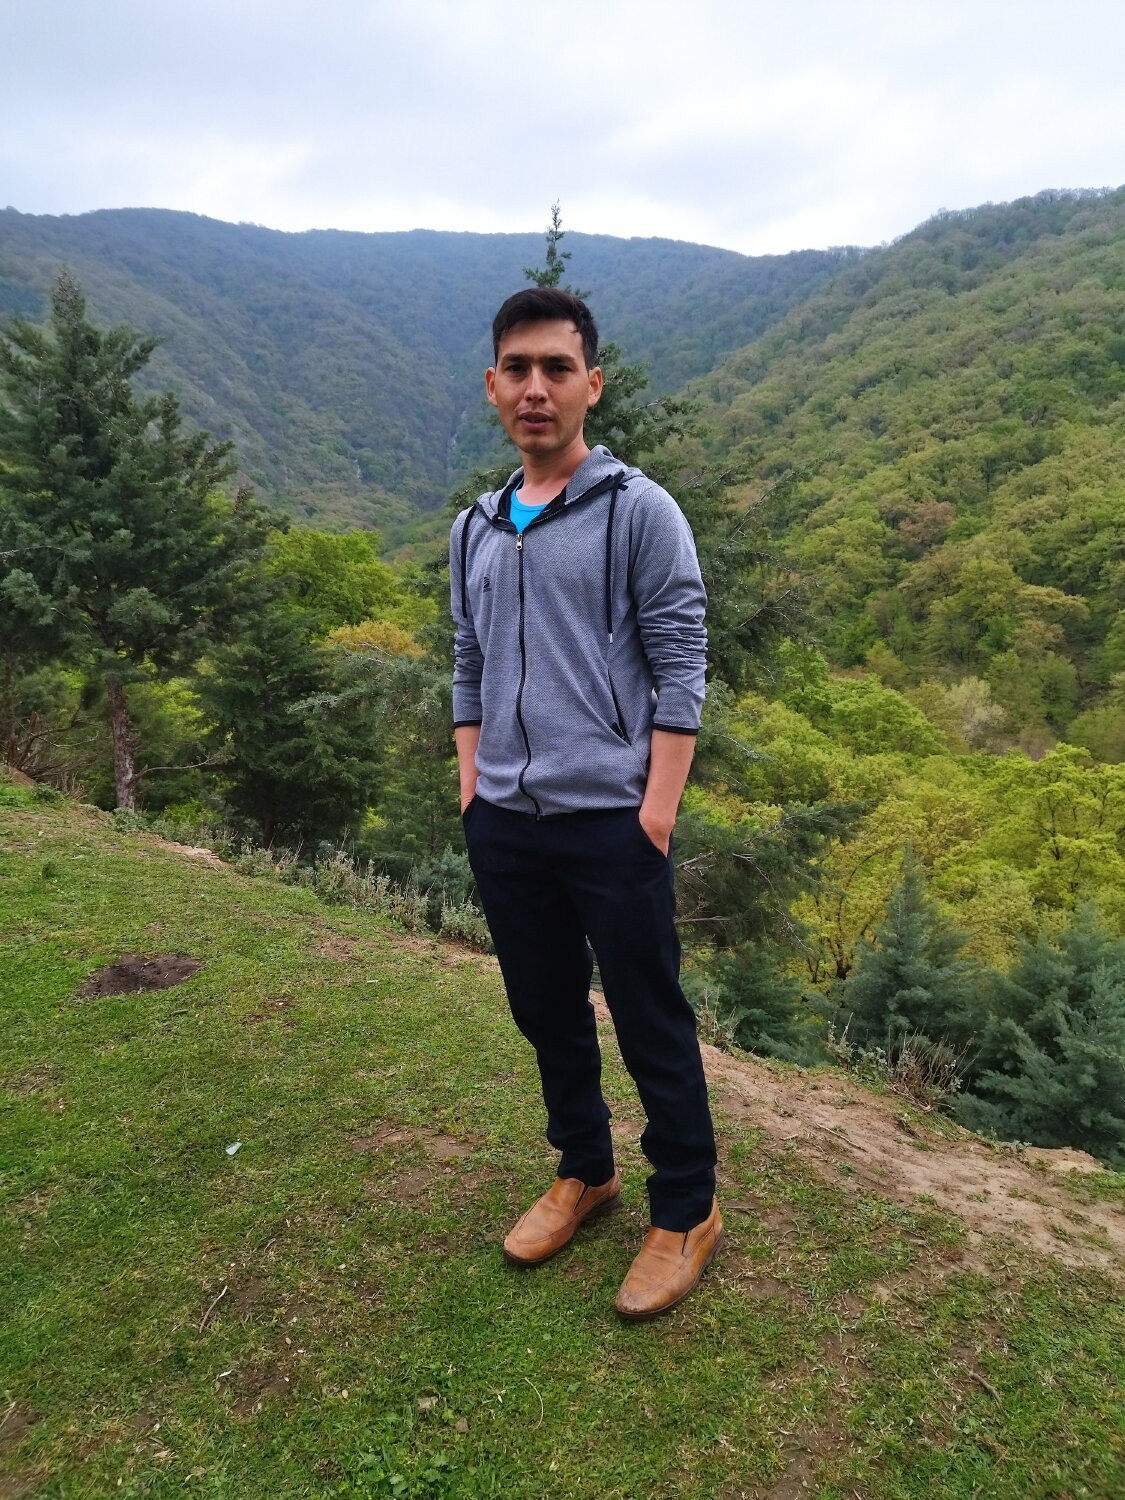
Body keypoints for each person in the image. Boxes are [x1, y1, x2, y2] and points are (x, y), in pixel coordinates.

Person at [450, 286, 721, 1319]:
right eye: (518, 369)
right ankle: (586, 1168)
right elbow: (469, 661)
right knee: (545, 1010)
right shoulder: (475, 527)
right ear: (492, 385)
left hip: (613, 821)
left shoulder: (638, 511)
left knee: (650, 1017)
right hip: (506, 823)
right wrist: (473, 785)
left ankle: (686, 1208)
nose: (536, 388)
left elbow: (681, 660)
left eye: (556, 369)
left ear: (590, 385)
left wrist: (655, 812)